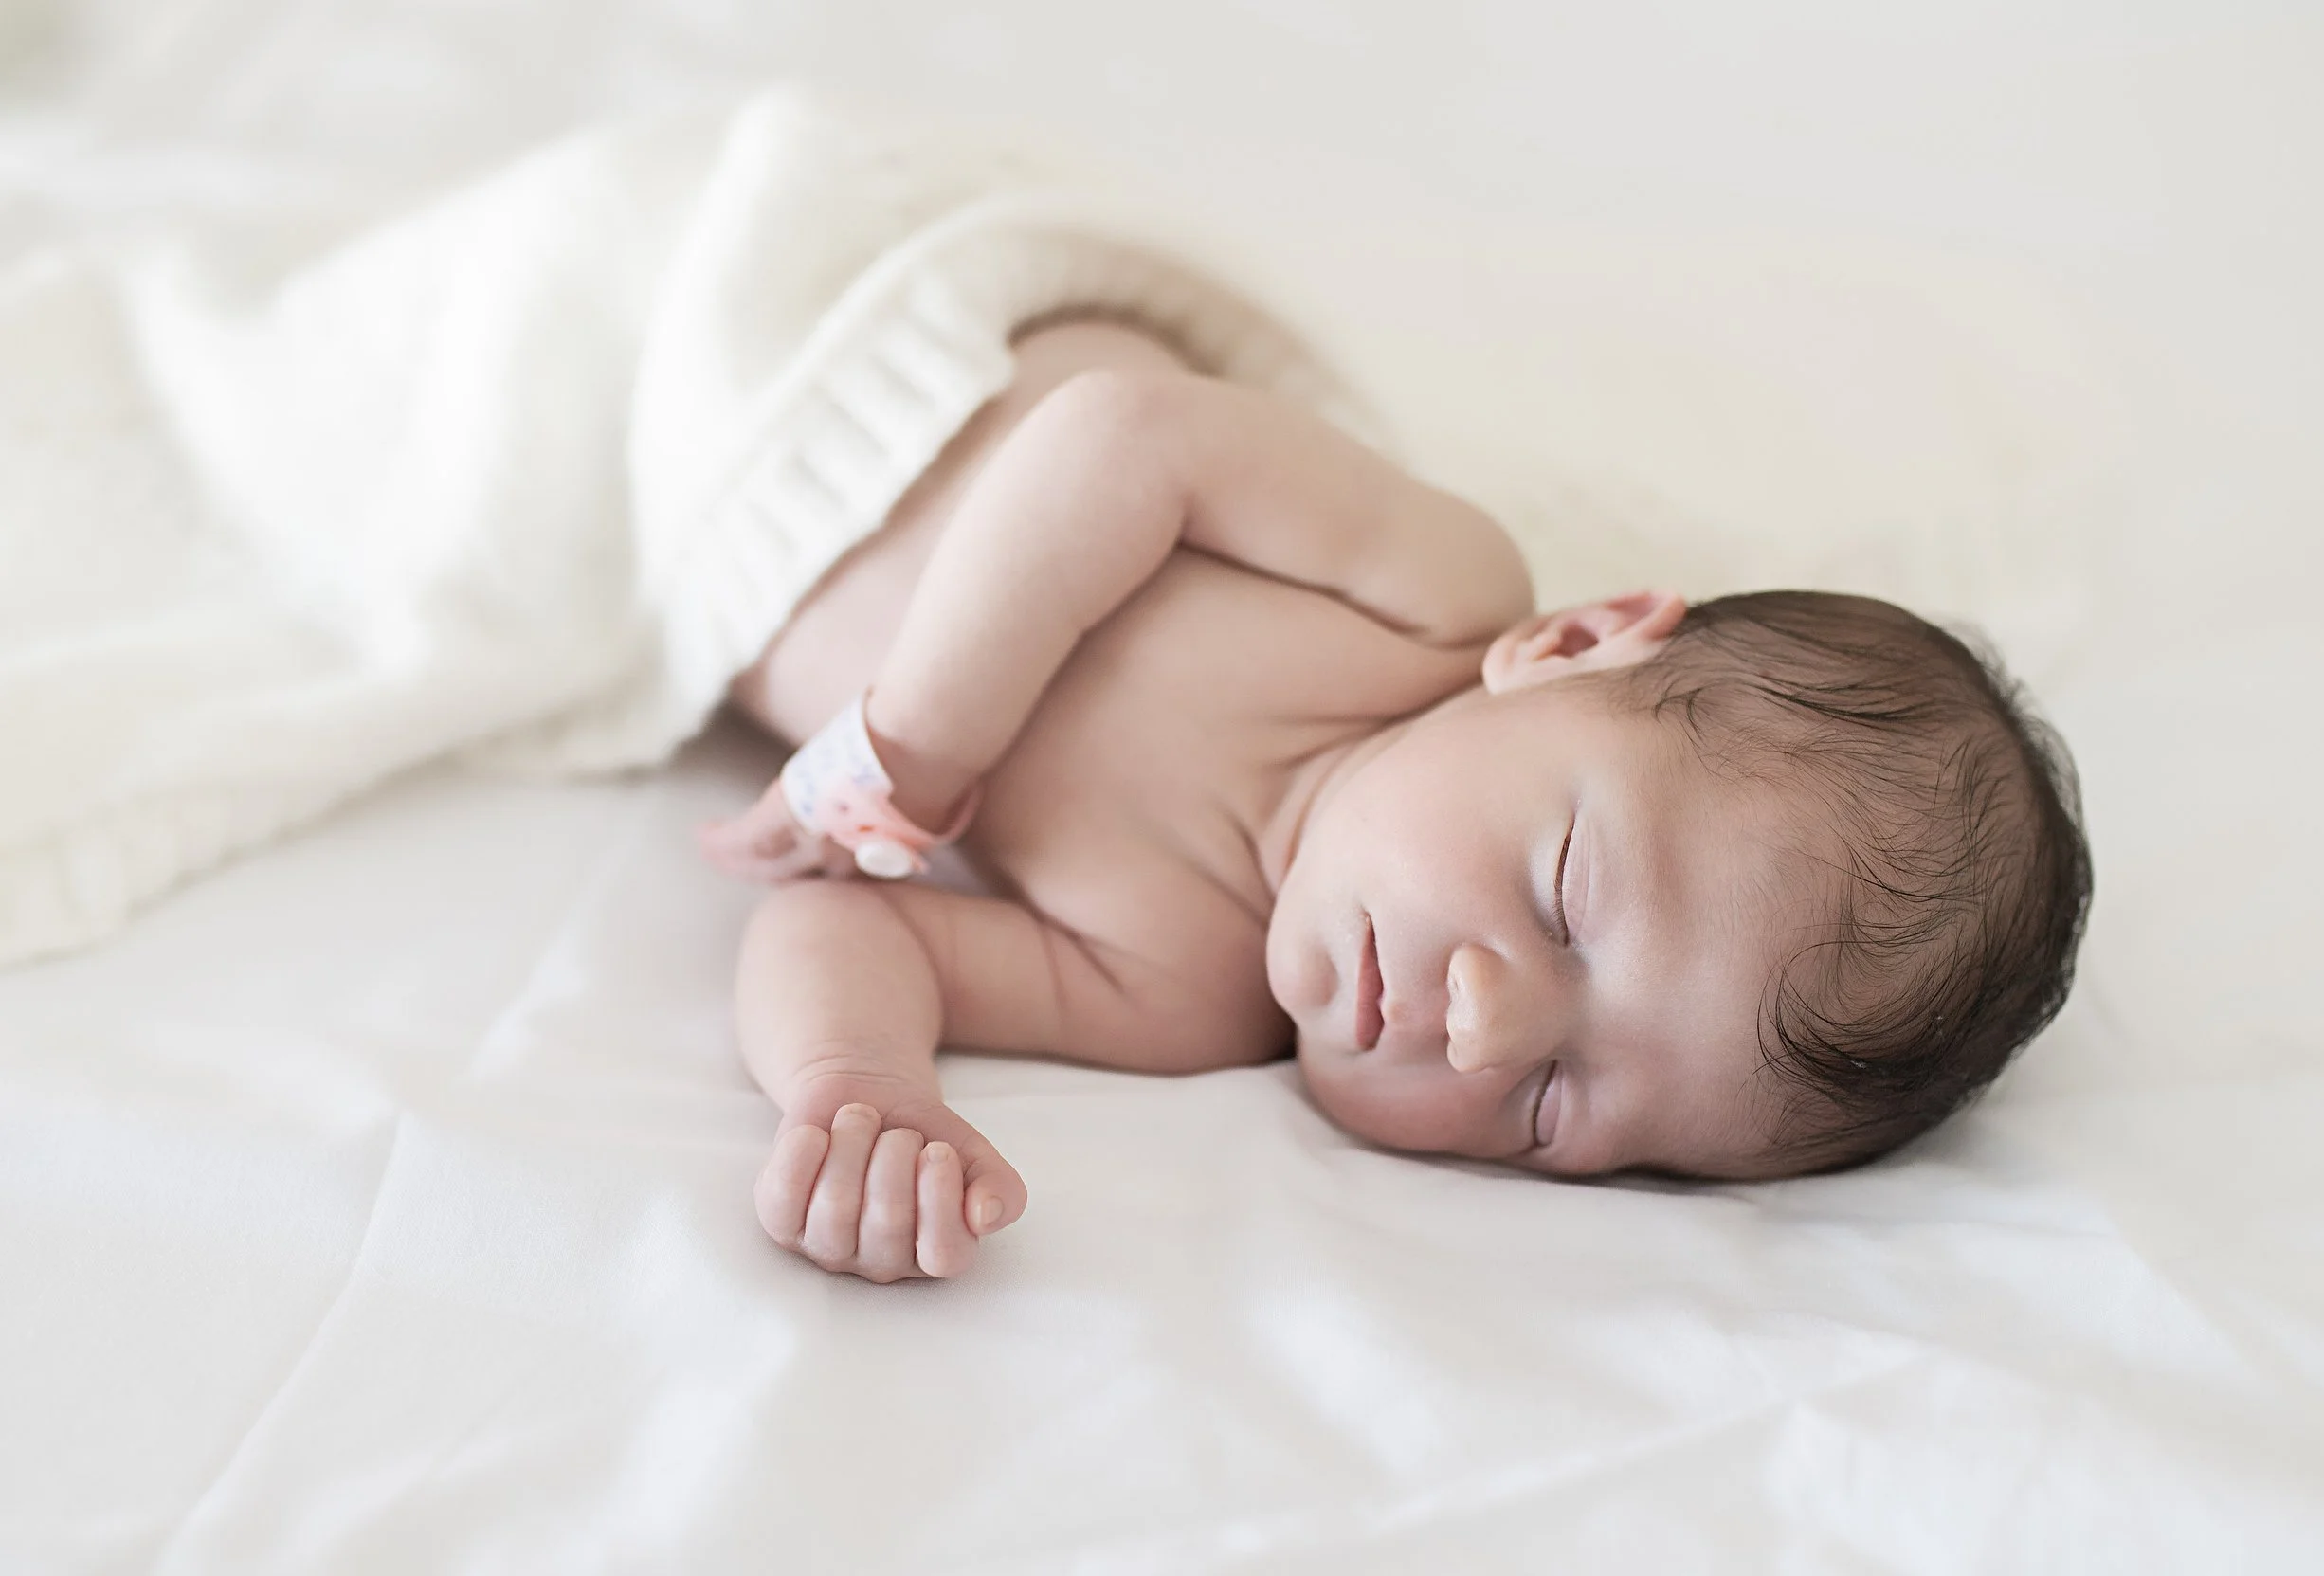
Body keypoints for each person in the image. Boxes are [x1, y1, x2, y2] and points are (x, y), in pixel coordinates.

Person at [699, 316, 2091, 1283]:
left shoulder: (1179, 996)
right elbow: (1123, 434)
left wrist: (857, 1080)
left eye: (1553, 1103)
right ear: (1566, 647)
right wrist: (918, 742)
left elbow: (848, 925)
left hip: (690, 528)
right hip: (870, 332)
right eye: (1566, 899)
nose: (1484, 1029)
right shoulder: (1426, 596)